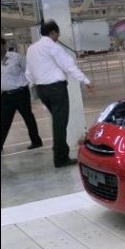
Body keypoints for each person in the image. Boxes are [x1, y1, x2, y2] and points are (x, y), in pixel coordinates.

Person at [26, 20, 93, 168]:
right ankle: (60, 157)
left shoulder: (31, 49)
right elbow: (68, 65)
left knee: (57, 121)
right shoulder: (52, 47)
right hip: (56, 89)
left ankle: (58, 149)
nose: (58, 37)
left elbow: (28, 72)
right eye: (57, 34)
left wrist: (33, 86)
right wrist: (85, 80)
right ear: (53, 33)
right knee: (60, 123)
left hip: (42, 90)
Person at [1, 37, 42, 152]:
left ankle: (36, 141)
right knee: (4, 121)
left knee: (28, 117)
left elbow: (28, 71)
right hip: (5, 96)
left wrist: (33, 84)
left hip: (20, 93)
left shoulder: (16, 57)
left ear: (4, 46)